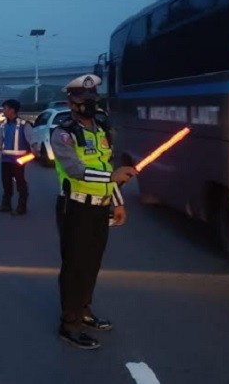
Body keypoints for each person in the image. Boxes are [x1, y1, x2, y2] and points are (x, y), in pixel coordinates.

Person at [50, 74, 137, 350]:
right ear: (71, 102)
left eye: (92, 99)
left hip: (100, 208)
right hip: (74, 206)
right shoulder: (62, 133)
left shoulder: (101, 129)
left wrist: (118, 201)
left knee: (92, 264)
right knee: (75, 266)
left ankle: (84, 311)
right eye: (82, 99)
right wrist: (112, 178)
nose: (88, 103)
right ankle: (69, 323)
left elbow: (106, 165)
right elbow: (76, 169)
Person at [0, 99, 33, 215]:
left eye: (5, 108)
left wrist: (27, 158)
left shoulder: (25, 125)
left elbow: (33, 143)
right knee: (6, 184)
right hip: (6, 160)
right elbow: (0, 139)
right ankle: (6, 205)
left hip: (18, 161)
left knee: (20, 184)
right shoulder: (4, 124)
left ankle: (21, 207)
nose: (3, 111)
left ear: (12, 110)